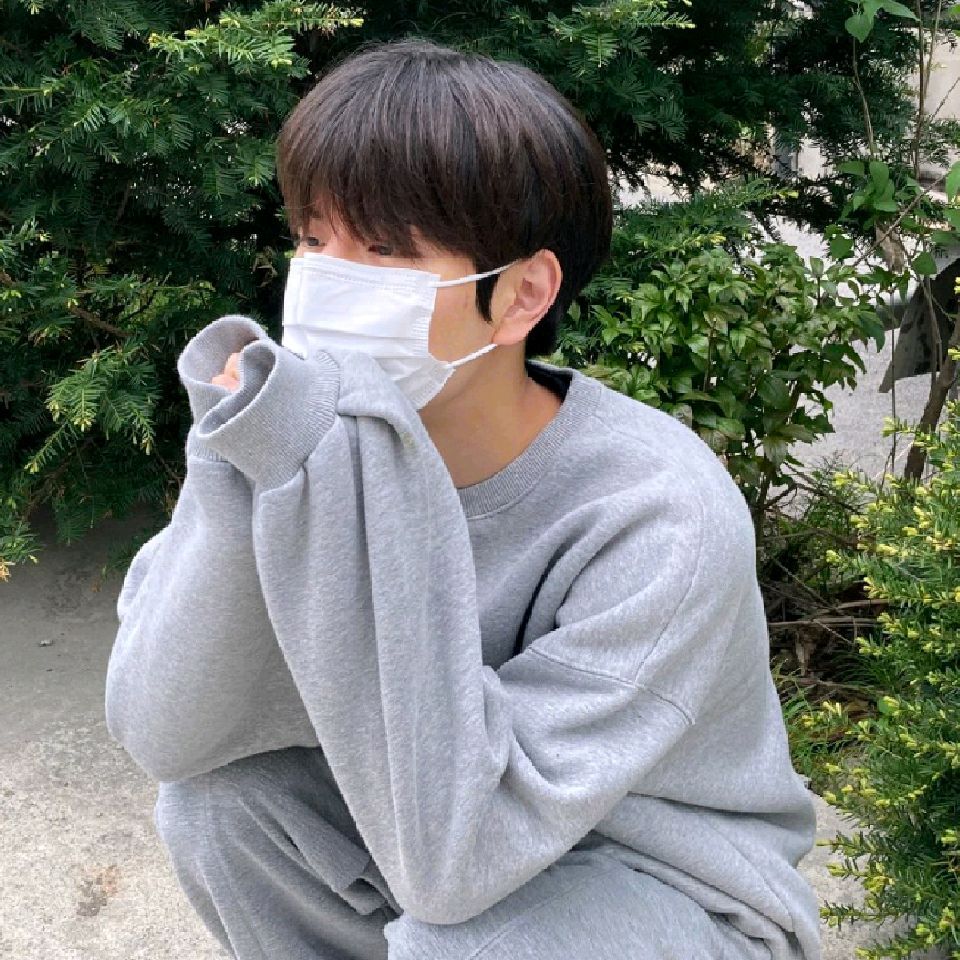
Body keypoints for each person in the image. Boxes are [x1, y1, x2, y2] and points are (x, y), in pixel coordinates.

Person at [104, 37, 822, 960]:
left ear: (523, 294)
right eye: (314, 239)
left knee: (468, 945)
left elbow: (460, 864)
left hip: (672, 889)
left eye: (385, 249)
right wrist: (240, 461)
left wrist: (365, 500)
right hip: (436, 837)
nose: (327, 280)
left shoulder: (657, 514)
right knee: (219, 805)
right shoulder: (315, 450)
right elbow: (163, 732)